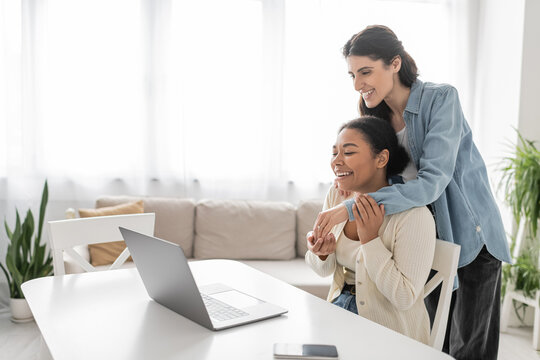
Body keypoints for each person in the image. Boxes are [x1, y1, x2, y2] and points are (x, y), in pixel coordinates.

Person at [312, 25, 511, 359]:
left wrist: (347, 210)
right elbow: (379, 171)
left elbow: (432, 183)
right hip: (424, 238)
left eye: (366, 72)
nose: (359, 85)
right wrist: (349, 178)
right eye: (352, 75)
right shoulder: (374, 115)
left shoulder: (441, 99)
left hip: (472, 237)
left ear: (394, 64)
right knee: (433, 344)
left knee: (469, 350)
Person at [306, 116, 436, 344]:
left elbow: (404, 297)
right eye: (334, 152)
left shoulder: (412, 215)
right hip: (338, 311)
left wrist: (371, 241)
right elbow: (323, 270)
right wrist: (321, 252)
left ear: (381, 158)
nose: (336, 161)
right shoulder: (337, 196)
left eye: (348, 152)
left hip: (389, 333)